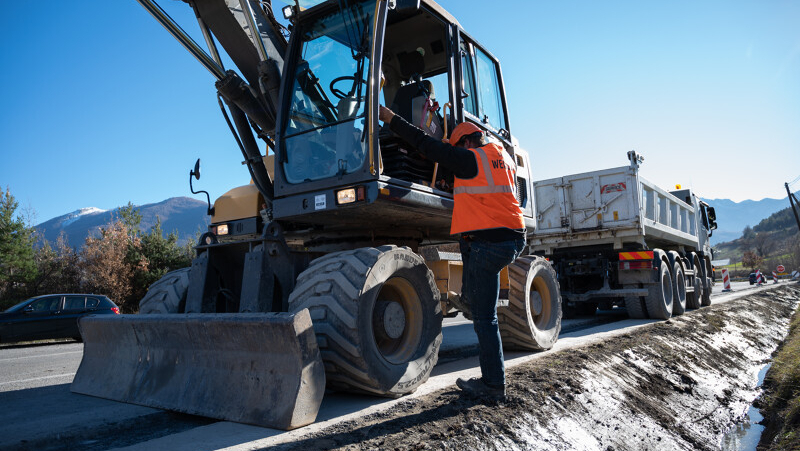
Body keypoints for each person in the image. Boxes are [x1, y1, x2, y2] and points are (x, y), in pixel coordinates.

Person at [379, 105, 526, 401]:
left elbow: (426, 144)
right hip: (507, 238)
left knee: (484, 320)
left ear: (466, 142)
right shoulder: (500, 157)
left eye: (456, 147)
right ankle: (472, 308)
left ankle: (493, 386)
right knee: (482, 310)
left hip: (488, 242)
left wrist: (391, 118)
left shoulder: (470, 159)